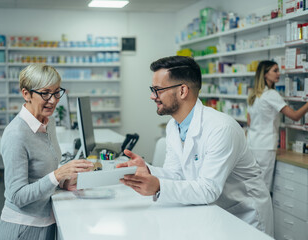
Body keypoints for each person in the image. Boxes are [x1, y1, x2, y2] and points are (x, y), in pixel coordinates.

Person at [117, 56, 274, 236]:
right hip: (211, 211)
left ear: (183, 90)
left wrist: (159, 186)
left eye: (157, 90)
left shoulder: (221, 128)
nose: (152, 96)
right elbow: (177, 174)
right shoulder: (174, 126)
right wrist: (148, 170)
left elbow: (208, 189)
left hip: (243, 215)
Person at [0, 64, 93, 240]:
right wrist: (57, 176)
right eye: (45, 93)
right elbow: (17, 195)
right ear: (26, 94)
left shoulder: (48, 123)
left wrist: (63, 182)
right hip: (24, 227)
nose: (53, 100)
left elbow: (41, 175)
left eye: (57, 92)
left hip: (47, 220)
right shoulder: (15, 134)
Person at [247, 60, 308, 191]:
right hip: (265, 148)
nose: (278, 73)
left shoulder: (253, 95)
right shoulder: (271, 94)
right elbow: (295, 116)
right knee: (263, 189)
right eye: (275, 70)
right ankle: (261, 212)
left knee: (252, 187)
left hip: (252, 145)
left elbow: (249, 122)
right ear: (265, 74)